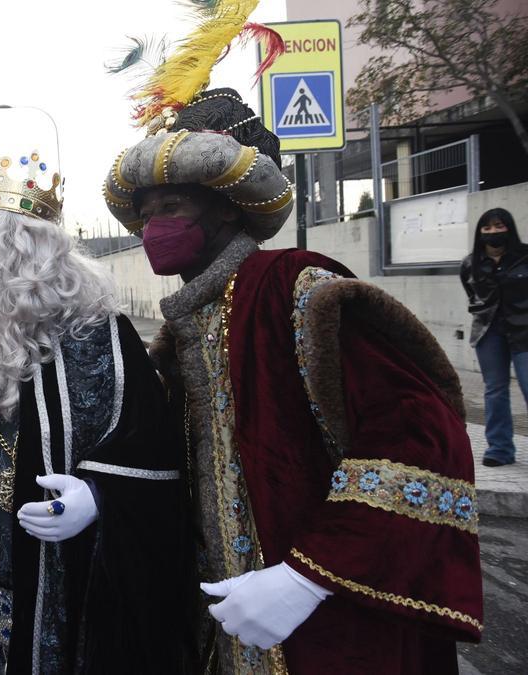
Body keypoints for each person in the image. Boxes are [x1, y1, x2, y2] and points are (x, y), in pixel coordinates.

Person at [102, 11, 483, 671]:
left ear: (229, 204)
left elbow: (425, 439)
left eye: (175, 203)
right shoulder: (177, 335)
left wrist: (310, 573)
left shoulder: (298, 294)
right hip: (219, 634)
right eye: (148, 208)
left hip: (323, 635)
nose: (156, 223)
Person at [0, 147, 190, 673]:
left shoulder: (101, 336)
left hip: (66, 600)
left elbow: (157, 456)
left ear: (26, 248)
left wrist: (101, 496)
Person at [461, 207, 527, 467]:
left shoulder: (524, 257)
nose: (493, 232)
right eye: (486, 228)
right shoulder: (471, 263)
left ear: (508, 228)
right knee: (495, 390)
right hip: (489, 332)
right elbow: (472, 294)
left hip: (524, 330)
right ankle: (500, 449)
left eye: (498, 226)